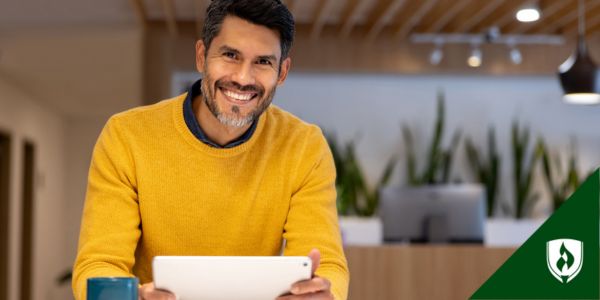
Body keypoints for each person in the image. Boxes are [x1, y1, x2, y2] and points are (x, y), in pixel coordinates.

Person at [72, 0, 349, 299]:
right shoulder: (127, 137)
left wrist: (322, 292)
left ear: (282, 72)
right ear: (202, 57)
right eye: (230, 55)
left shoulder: (304, 146)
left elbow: (326, 264)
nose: (243, 78)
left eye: (263, 62)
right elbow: (99, 265)